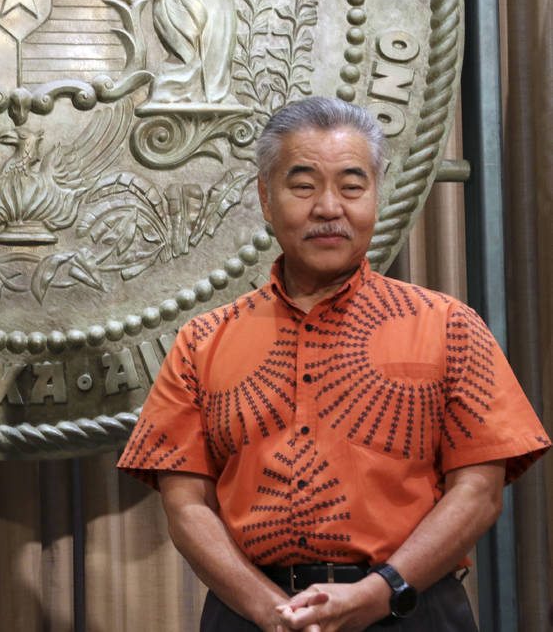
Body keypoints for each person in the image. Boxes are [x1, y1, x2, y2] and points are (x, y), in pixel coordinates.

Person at [117, 96, 550, 631]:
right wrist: (269, 611)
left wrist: (378, 592)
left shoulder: (449, 326)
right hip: (252, 613)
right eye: (303, 186)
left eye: (351, 186)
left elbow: (479, 493)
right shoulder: (201, 341)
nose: (328, 207)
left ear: (376, 196)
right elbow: (186, 508)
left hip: (407, 608)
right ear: (265, 197)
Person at [143, 0, 266, 103]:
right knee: (198, 54)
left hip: (221, 0)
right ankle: (195, 92)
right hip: (194, 0)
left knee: (220, 51)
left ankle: (216, 96)